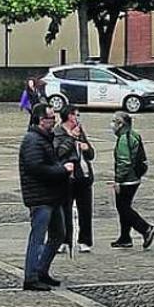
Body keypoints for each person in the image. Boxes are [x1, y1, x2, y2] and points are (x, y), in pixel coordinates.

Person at [20, 103, 73, 291]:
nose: (55, 121)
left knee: (59, 234)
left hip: (52, 196)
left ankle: (41, 270)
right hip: (40, 198)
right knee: (38, 237)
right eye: (51, 118)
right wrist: (62, 169)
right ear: (42, 120)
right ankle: (31, 277)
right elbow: (37, 168)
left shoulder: (45, 138)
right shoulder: (32, 140)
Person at [110, 111, 154, 250]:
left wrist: (118, 180)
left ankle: (146, 228)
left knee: (124, 208)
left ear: (121, 124)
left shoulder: (124, 139)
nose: (112, 124)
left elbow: (124, 161)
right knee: (124, 207)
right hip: (135, 177)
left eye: (114, 121)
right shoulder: (133, 135)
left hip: (127, 179)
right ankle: (125, 237)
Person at [53, 105, 95, 254]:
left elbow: (90, 154)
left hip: (83, 175)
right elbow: (59, 152)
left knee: (85, 210)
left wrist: (86, 148)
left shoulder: (80, 131)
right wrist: (71, 138)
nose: (77, 118)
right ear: (69, 116)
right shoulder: (57, 132)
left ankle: (85, 240)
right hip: (67, 176)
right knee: (65, 210)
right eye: (75, 115)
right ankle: (64, 240)